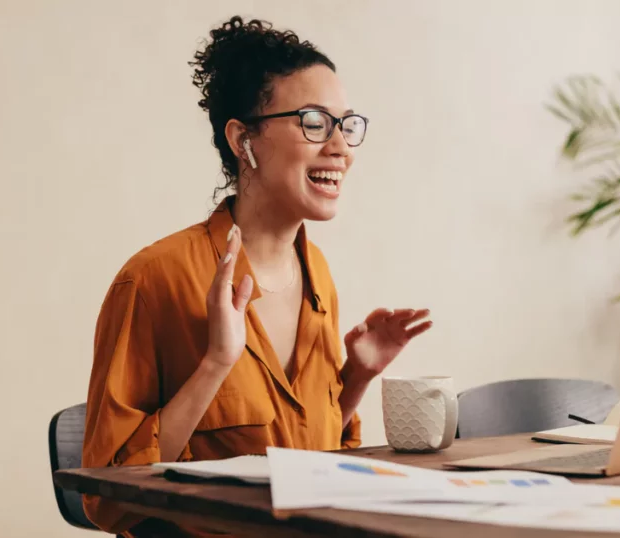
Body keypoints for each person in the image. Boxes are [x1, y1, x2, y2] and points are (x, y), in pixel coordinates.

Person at [81, 15, 432, 537]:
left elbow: (314, 465)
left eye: (346, 124)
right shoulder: (155, 280)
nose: (340, 147)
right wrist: (216, 362)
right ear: (244, 140)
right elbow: (105, 496)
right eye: (314, 122)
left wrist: (355, 377)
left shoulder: (318, 279)